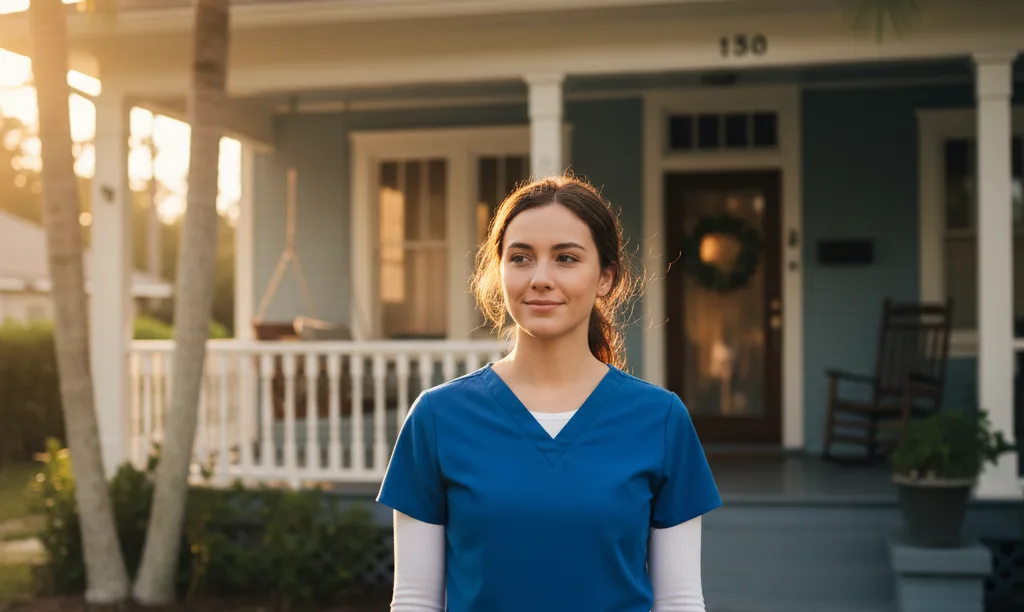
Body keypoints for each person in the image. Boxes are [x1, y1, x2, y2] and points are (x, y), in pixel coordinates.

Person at [376, 175, 721, 611]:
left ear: (605, 278)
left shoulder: (662, 420)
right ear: (499, 270)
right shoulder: (437, 417)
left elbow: (680, 601)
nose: (540, 278)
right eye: (521, 257)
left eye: (566, 258)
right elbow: (414, 601)